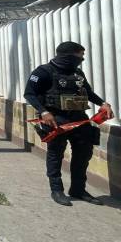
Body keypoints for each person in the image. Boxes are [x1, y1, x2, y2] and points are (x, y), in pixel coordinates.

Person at [23, 41, 115, 206]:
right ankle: (57, 190)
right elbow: (29, 94)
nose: (82, 59)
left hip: (79, 119)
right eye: (79, 55)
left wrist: (102, 103)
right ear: (68, 56)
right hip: (55, 120)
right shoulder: (43, 72)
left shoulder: (77, 73)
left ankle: (78, 189)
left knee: (83, 154)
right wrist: (44, 112)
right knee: (55, 154)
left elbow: (89, 93)